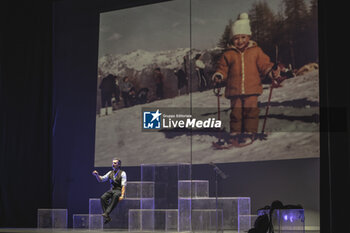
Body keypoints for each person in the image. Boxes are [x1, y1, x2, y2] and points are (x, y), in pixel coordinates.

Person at [212, 12, 280, 144]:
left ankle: (250, 132)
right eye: (236, 38)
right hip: (234, 89)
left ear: (248, 36)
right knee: (236, 113)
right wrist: (219, 75)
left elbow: (264, 64)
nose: (240, 41)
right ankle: (235, 132)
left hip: (252, 88)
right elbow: (222, 68)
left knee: (250, 112)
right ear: (232, 39)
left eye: (243, 37)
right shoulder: (228, 54)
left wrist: (271, 72)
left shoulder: (256, 51)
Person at [92, 158, 127, 224]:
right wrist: (97, 175)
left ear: (119, 165)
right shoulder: (110, 173)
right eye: (113, 163)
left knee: (115, 196)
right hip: (112, 190)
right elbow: (101, 179)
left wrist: (122, 195)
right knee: (103, 197)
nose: (113, 164)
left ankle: (106, 213)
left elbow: (123, 185)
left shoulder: (123, 173)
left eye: (115, 163)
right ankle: (107, 216)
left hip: (118, 190)